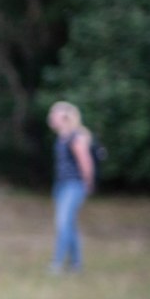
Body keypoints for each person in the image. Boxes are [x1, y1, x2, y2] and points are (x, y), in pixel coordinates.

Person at [47, 101, 94, 274]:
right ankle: (76, 264)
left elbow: (85, 163)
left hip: (73, 186)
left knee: (63, 223)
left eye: (54, 115)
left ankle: (57, 264)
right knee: (69, 225)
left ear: (65, 118)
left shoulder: (76, 137)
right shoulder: (62, 137)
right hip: (61, 185)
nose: (51, 118)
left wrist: (87, 184)